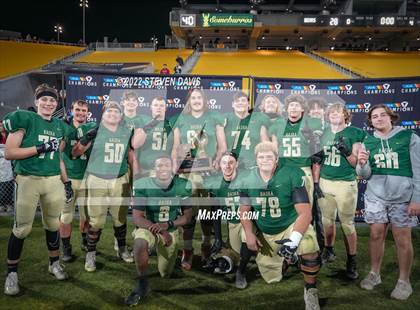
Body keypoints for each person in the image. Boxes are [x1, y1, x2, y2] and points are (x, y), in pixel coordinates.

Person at [3, 84, 72, 296]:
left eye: (52, 100)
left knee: (52, 224)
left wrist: (66, 181)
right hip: (29, 179)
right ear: (36, 102)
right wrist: (39, 148)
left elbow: (58, 157)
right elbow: (9, 152)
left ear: (56, 104)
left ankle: (54, 263)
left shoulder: (61, 126)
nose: (49, 103)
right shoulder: (25, 118)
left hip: (52, 180)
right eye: (44, 99)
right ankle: (12, 273)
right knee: (22, 228)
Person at [239, 142, 321, 309]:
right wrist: (249, 233)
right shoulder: (247, 178)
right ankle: (289, 260)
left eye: (269, 157)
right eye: (261, 157)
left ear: (277, 159)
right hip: (266, 229)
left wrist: (294, 239)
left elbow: (305, 214)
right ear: (256, 159)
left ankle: (310, 290)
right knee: (272, 278)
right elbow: (244, 210)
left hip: (290, 225)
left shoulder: (291, 174)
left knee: (309, 245)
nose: (265, 160)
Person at [356, 104, 420, 300]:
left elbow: (418, 169)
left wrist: (417, 198)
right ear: (370, 121)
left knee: (402, 239)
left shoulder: (409, 137)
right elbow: (364, 175)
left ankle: (403, 281)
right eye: (374, 116)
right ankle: (375, 274)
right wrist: (362, 163)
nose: (379, 119)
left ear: (391, 117)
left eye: (383, 115)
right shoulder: (367, 141)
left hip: (402, 197)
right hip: (375, 196)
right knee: (375, 235)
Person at [72, 101, 136, 272]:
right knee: (96, 220)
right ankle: (91, 254)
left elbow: (131, 157)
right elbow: (75, 153)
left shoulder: (127, 131)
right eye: (109, 111)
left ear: (121, 115)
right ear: (103, 113)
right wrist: (88, 137)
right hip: (97, 179)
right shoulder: (92, 129)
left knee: (120, 219)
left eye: (116, 111)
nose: (113, 114)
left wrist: (135, 180)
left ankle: (122, 249)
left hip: (119, 178)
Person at [125, 155, 193, 306]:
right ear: (154, 169)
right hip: (149, 226)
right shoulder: (143, 185)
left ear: (173, 168)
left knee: (165, 273)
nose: (163, 169)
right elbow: (137, 217)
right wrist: (161, 230)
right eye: (159, 165)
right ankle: (142, 284)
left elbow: (188, 216)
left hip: (171, 229)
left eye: (166, 165)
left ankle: (168, 256)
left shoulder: (183, 184)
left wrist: (168, 224)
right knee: (140, 243)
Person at [171, 88, 227, 270]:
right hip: (187, 173)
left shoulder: (214, 118)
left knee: (206, 214)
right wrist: (174, 165)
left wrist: (218, 159)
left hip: (208, 172)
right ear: (189, 101)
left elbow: (222, 145)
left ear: (204, 100)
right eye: (193, 98)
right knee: (188, 214)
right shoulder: (181, 120)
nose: (196, 100)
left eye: (199, 97)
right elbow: (176, 147)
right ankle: (187, 250)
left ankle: (206, 248)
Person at [314, 103, 365, 280]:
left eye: (338, 111)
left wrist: (347, 152)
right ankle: (329, 250)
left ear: (345, 115)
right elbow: (317, 161)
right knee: (327, 221)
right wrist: (315, 183)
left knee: (347, 224)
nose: (334, 114)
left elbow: (356, 164)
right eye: (331, 112)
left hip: (345, 183)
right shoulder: (323, 133)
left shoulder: (355, 133)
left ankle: (352, 260)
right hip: (325, 181)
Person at [203, 151, 248, 287]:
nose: (227, 166)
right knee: (237, 252)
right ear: (219, 165)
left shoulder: (247, 179)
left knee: (250, 242)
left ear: (237, 164)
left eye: (231, 162)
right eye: (224, 162)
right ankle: (224, 260)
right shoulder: (217, 184)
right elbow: (216, 211)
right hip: (233, 224)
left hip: (251, 222)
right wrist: (217, 237)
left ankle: (241, 271)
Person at [59, 99, 95, 261]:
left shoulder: (93, 128)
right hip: (71, 178)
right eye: (78, 110)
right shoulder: (65, 129)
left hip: (88, 178)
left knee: (86, 215)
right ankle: (66, 247)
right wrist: (64, 180)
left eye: (84, 110)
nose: (81, 113)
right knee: (66, 216)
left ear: (88, 112)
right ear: (72, 110)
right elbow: (59, 156)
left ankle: (85, 241)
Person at [224, 91, 269, 170]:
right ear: (232, 104)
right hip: (231, 165)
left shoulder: (258, 118)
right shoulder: (226, 118)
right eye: (237, 101)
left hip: (253, 165)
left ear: (248, 104)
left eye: (243, 100)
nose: (240, 103)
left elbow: (265, 142)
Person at [133, 97, 173, 178]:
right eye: (156, 105)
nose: (158, 107)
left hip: (166, 171)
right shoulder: (142, 121)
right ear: (151, 107)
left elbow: (175, 149)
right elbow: (135, 145)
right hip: (145, 170)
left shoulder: (172, 124)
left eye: (161, 105)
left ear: (165, 108)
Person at [0, 121, 14, 213]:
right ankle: (1, 204)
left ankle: (9, 204)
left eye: (2, 125)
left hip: (9, 163)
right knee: (1, 186)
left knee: (8, 185)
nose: (1, 127)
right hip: (1, 163)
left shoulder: (10, 136)